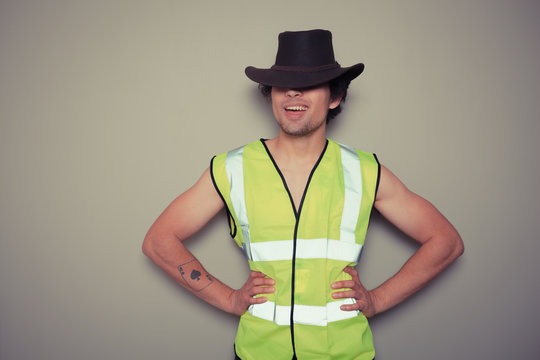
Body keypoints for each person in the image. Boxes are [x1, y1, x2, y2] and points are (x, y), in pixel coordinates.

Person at [142, 29, 464, 360]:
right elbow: (158, 241)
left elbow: (446, 242)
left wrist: (378, 300)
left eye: (310, 84)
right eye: (282, 85)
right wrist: (228, 299)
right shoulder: (231, 168)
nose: (293, 92)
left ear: (335, 97)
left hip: (344, 354)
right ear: (272, 96)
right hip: (258, 353)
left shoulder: (364, 170)